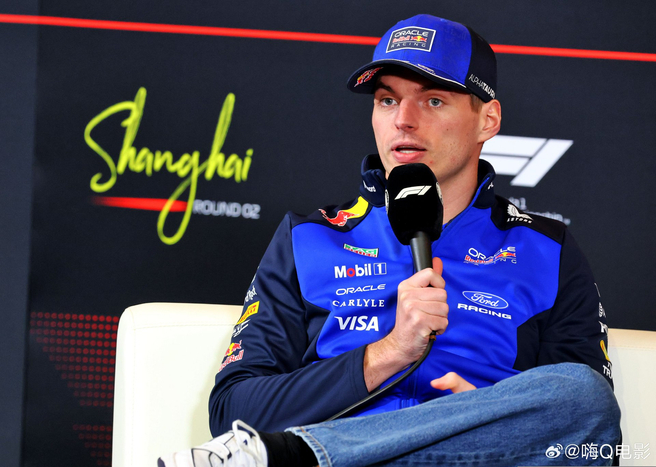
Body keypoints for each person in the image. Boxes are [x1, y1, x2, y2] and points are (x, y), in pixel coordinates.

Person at [160, 13, 620, 467]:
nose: (403, 119)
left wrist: (479, 418)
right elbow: (233, 413)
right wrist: (390, 352)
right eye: (386, 100)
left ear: (487, 119)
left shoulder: (547, 249)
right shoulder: (310, 238)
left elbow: (588, 435)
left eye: (433, 100)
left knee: (583, 393)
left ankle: (300, 455)